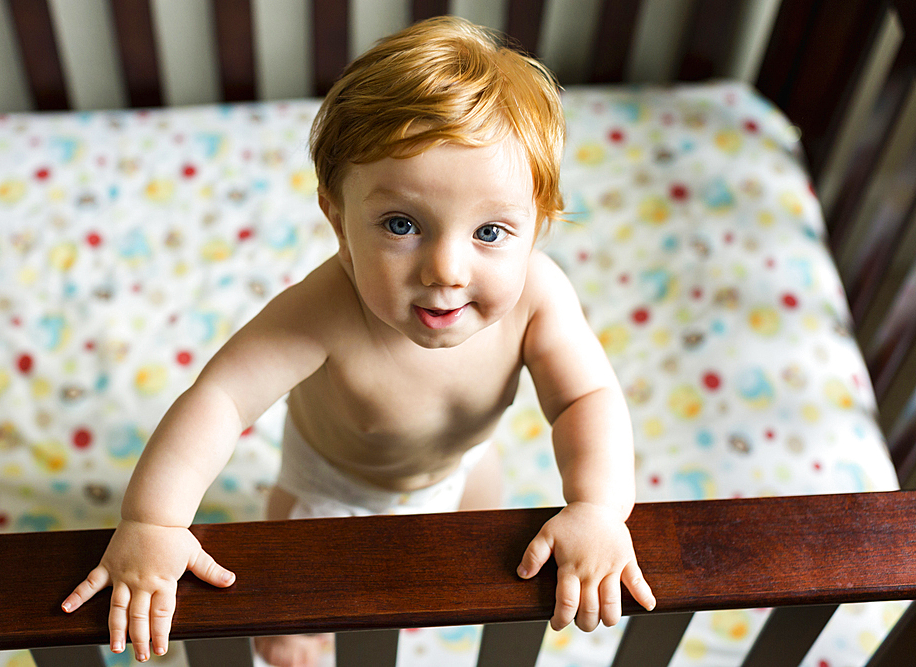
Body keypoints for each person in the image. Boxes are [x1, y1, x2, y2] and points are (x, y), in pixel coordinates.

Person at [61, 15, 656, 666]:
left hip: (461, 470)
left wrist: (598, 507)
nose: (447, 271)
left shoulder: (540, 295)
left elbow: (586, 398)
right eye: (402, 224)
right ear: (338, 219)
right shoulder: (325, 308)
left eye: (490, 232)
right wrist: (154, 520)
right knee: (286, 626)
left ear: (537, 224)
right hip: (328, 490)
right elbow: (222, 399)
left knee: (487, 570)